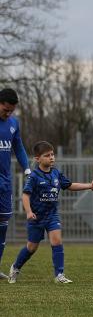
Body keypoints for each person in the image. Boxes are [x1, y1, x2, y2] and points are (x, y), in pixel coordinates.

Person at [8, 141, 92, 284]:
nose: (51, 157)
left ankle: (59, 275)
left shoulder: (56, 173)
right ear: (37, 159)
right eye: (47, 155)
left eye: (52, 154)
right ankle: (15, 267)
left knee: (57, 241)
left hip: (52, 215)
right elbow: (25, 195)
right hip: (36, 217)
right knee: (31, 247)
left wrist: (90, 185)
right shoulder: (34, 176)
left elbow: (70, 185)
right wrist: (28, 212)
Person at [0, 88, 30, 280]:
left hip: (5, 182)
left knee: (3, 225)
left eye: (11, 110)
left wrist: (27, 168)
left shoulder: (13, 124)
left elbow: (18, 147)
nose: (8, 113)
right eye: (5, 109)